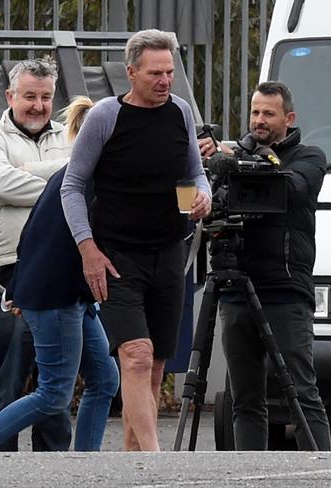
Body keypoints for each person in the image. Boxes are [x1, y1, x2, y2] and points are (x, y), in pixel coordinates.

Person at [0, 97, 119, 453]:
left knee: (104, 380)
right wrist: (24, 288)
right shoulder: (82, 180)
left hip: (70, 293)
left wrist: (20, 285)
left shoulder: (76, 176)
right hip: (55, 293)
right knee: (53, 394)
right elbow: (40, 236)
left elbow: (32, 233)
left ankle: (86, 465)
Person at [60, 29, 212, 452]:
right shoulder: (106, 116)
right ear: (131, 73)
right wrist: (87, 248)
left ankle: (133, 462)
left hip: (168, 253)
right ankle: (158, 461)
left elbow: (195, 172)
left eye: (169, 72)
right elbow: (71, 186)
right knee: (137, 355)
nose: (165, 81)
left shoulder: (180, 112)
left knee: (155, 365)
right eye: (155, 74)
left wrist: (204, 197)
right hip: (116, 257)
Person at [199, 81, 331, 451]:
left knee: (300, 394)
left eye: (268, 113)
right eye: (255, 112)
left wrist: (238, 162)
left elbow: (290, 189)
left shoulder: (309, 157)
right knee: (244, 398)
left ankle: (320, 473)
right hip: (236, 287)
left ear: (288, 118)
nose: (259, 120)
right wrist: (210, 164)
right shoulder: (232, 153)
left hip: (284, 290)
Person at [0, 58, 73, 451]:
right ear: (10, 96)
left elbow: (87, 178)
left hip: (62, 273)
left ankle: (55, 471)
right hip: (8, 274)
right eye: (29, 96)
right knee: (5, 385)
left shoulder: (71, 136)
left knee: (56, 388)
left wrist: (32, 170)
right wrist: (63, 183)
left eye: (45, 97)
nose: (38, 105)